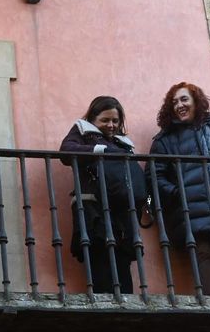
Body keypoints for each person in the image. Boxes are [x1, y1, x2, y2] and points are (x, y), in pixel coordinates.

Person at [150, 82, 210, 297]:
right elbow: (155, 177)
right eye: (174, 102)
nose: (179, 105)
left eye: (184, 99)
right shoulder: (165, 140)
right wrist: (177, 193)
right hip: (190, 208)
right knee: (202, 252)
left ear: (196, 101)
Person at [59, 96, 147, 295]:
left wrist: (147, 203)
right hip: (94, 210)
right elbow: (66, 151)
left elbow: (138, 183)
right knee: (99, 260)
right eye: (105, 120)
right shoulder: (82, 131)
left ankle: (125, 305)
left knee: (122, 265)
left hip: (122, 214)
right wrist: (100, 150)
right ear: (93, 118)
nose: (111, 125)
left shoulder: (124, 143)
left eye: (115, 121)